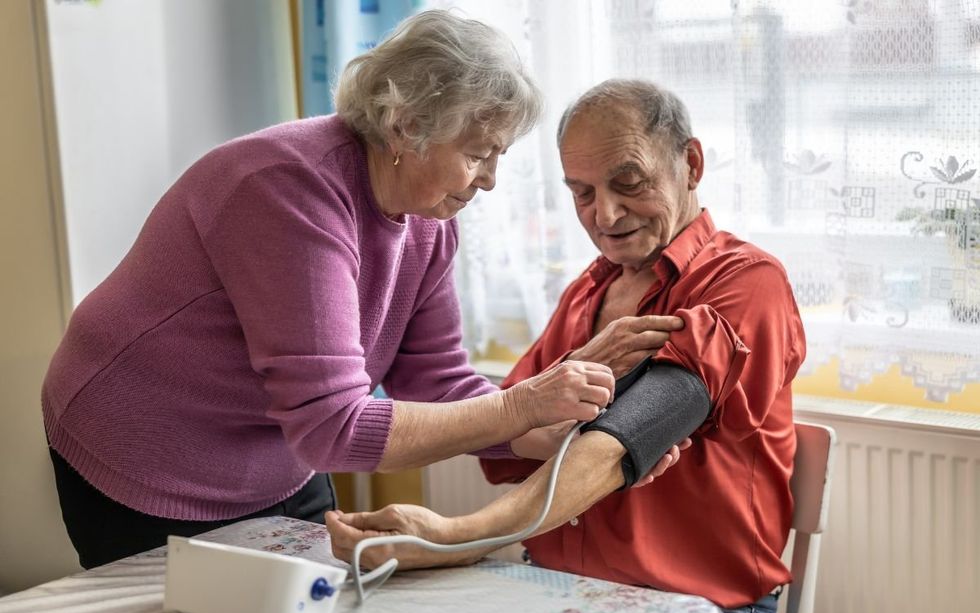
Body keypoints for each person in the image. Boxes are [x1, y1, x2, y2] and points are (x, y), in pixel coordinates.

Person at [40, 10, 623, 571]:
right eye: (476, 155)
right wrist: (518, 406)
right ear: (406, 126)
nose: (491, 181)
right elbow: (333, 428)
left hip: (279, 448)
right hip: (146, 445)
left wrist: (531, 434)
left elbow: (435, 382)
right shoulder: (289, 191)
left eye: (499, 156)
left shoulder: (430, 217)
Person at [326, 79, 806, 613]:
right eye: (582, 193)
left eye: (628, 182)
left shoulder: (746, 282)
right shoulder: (586, 292)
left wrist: (455, 537)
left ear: (691, 163)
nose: (604, 213)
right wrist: (528, 420)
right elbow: (510, 428)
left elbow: (625, 439)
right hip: (558, 598)